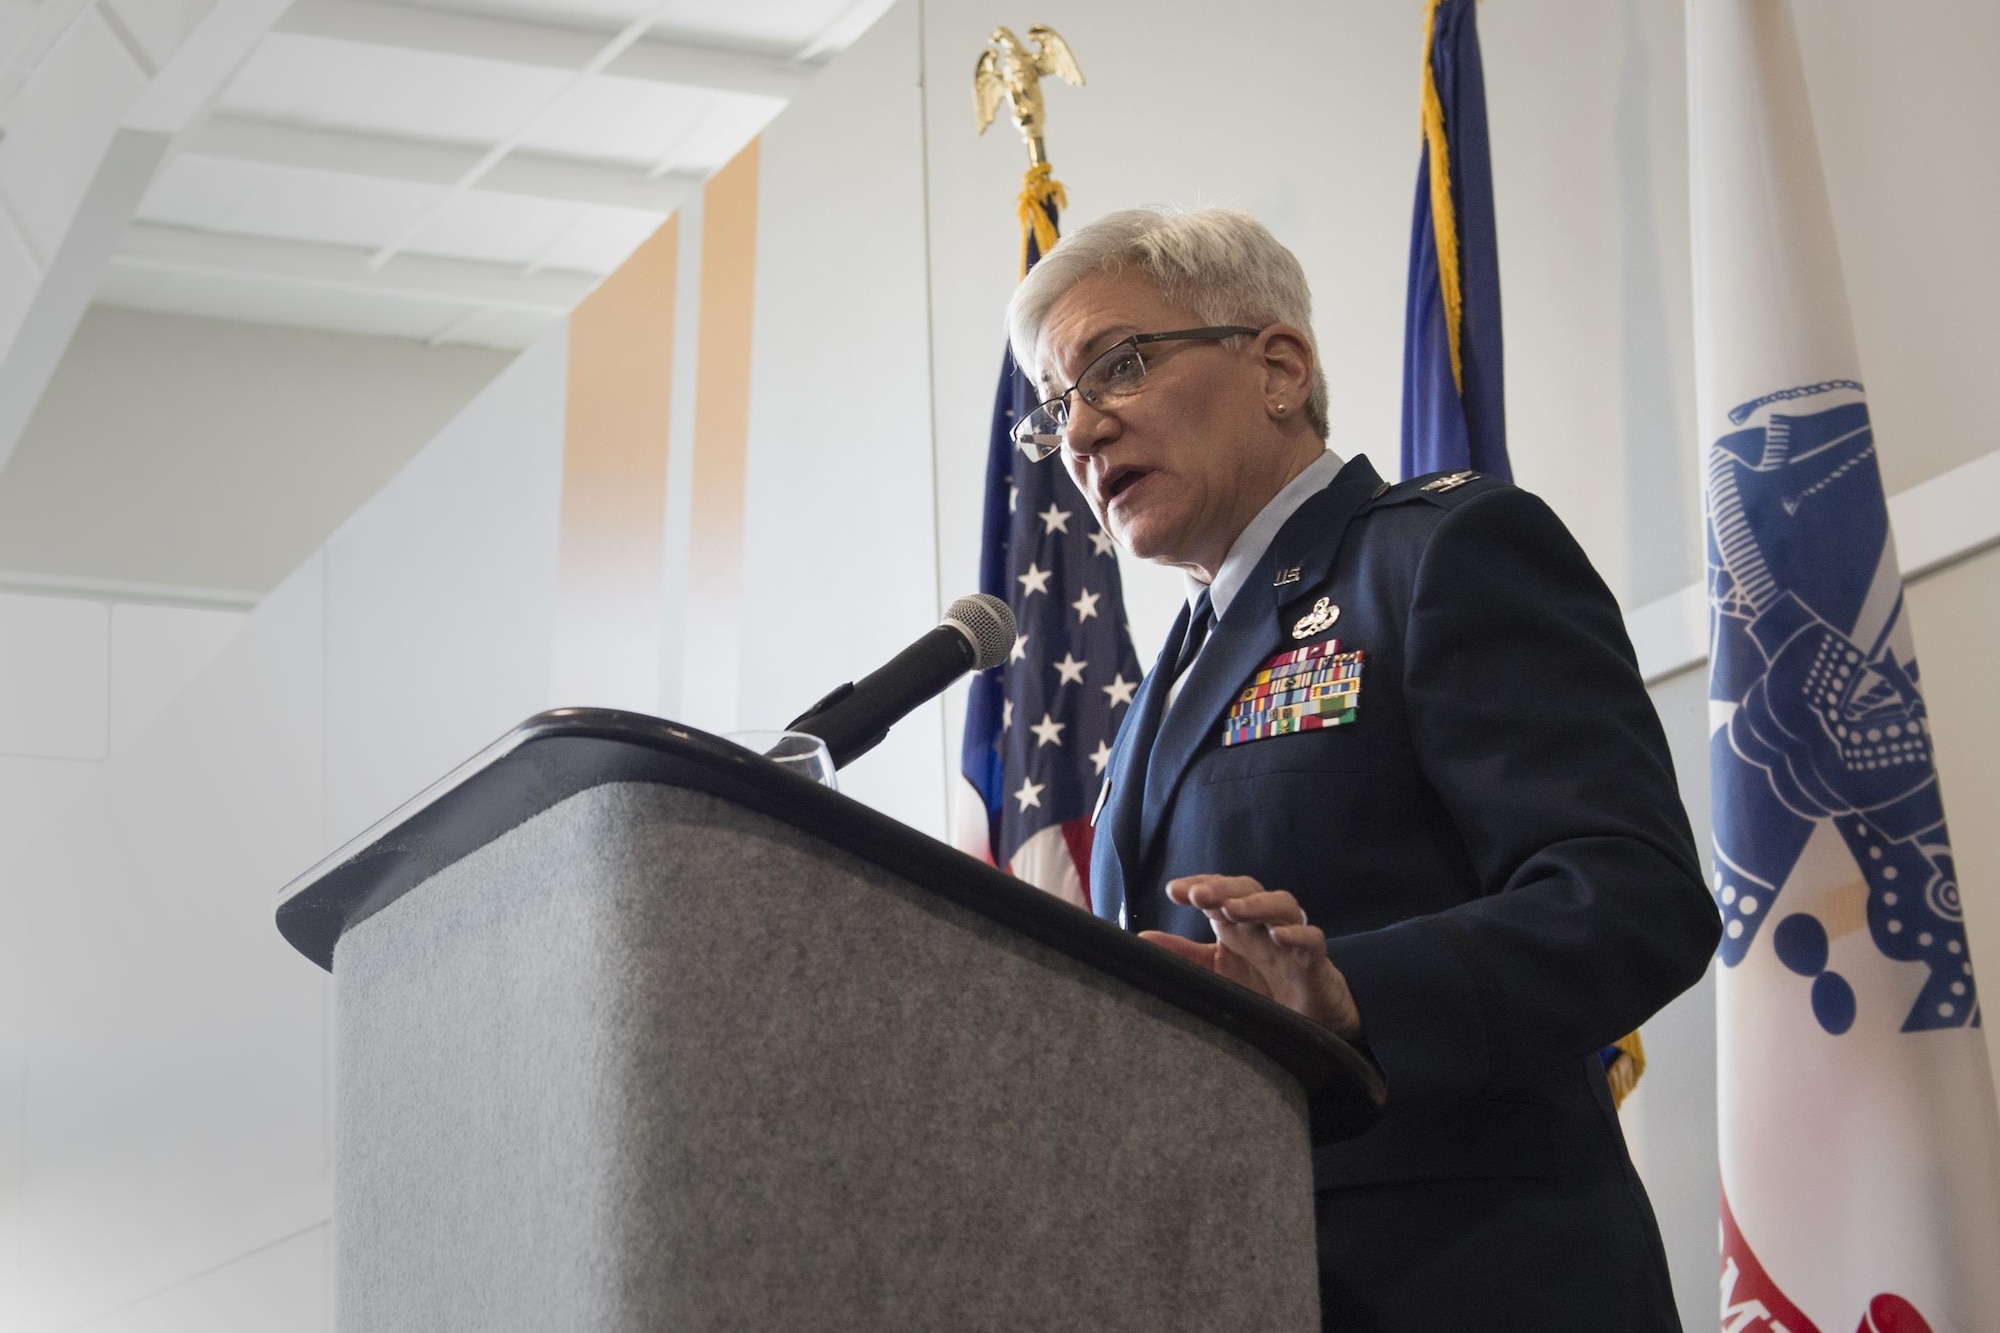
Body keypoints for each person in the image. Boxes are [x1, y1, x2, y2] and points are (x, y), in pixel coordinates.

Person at [1006, 207, 1720, 1331]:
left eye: (1120, 366)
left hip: (1471, 1280)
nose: (1083, 431)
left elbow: (1634, 899)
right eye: (1057, 408)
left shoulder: (1440, 555)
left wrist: (1350, 993)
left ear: (1277, 366)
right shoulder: (1161, 688)